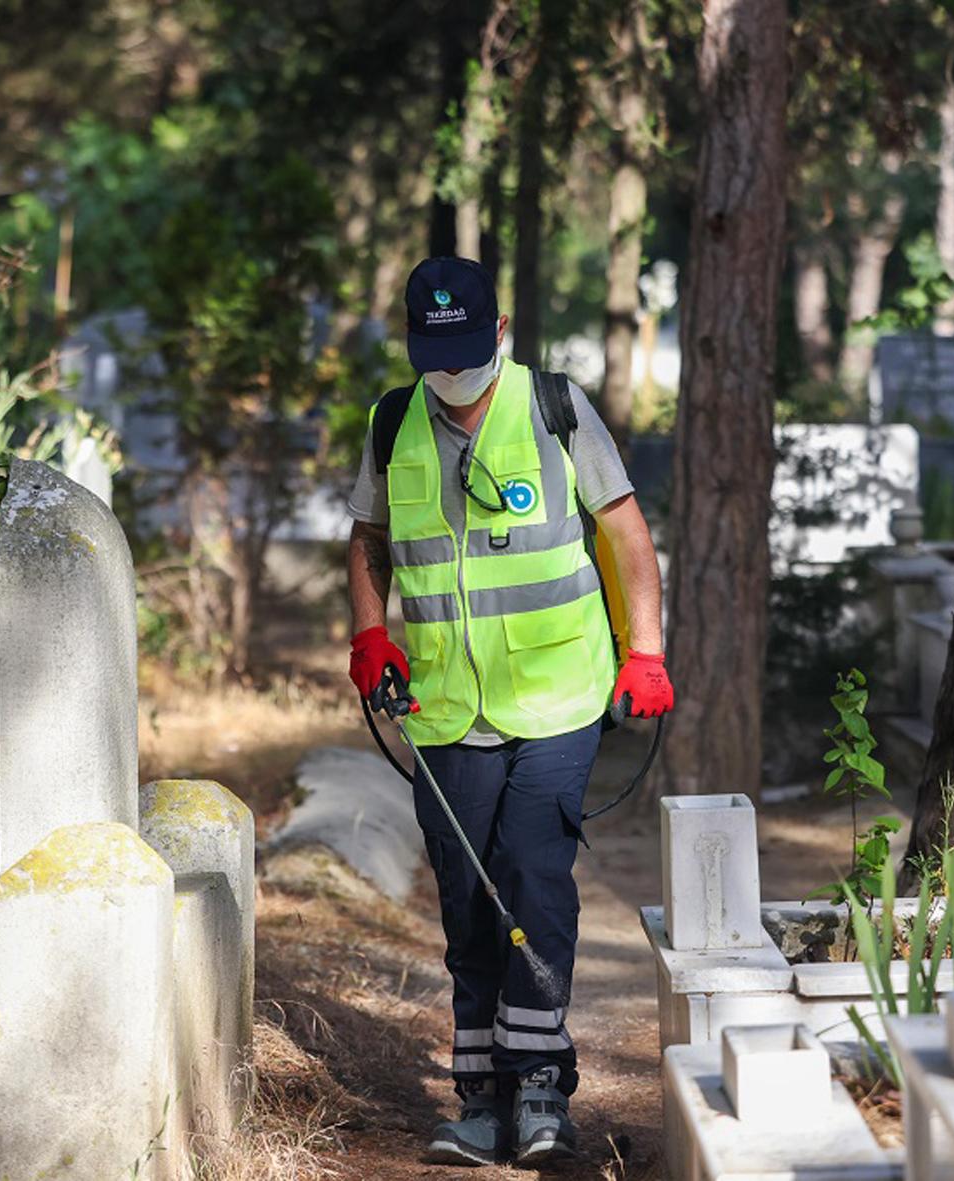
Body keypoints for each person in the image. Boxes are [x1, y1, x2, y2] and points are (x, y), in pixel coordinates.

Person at [345, 256, 673, 1166]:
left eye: (465, 350)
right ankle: (480, 1094)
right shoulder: (390, 423)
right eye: (433, 356)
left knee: (533, 877)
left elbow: (626, 534)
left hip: (558, 693)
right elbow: (369, 540)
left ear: (498, 331)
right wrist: (372, 634)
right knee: (467, 901)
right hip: (445, 706)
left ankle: (539, 1087)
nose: (450, 376)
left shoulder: (556, 406)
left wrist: (644, 652)